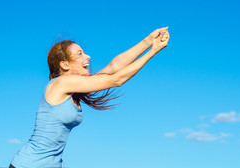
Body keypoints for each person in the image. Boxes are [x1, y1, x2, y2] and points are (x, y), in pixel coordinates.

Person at [9, 27, 170, 168]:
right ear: (65, 64)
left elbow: (114, 67)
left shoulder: (75, 88)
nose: (88, 56)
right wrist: (152, 52)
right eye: (80, 54)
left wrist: (148, 41)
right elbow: (116, 79)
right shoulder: (60, 84)